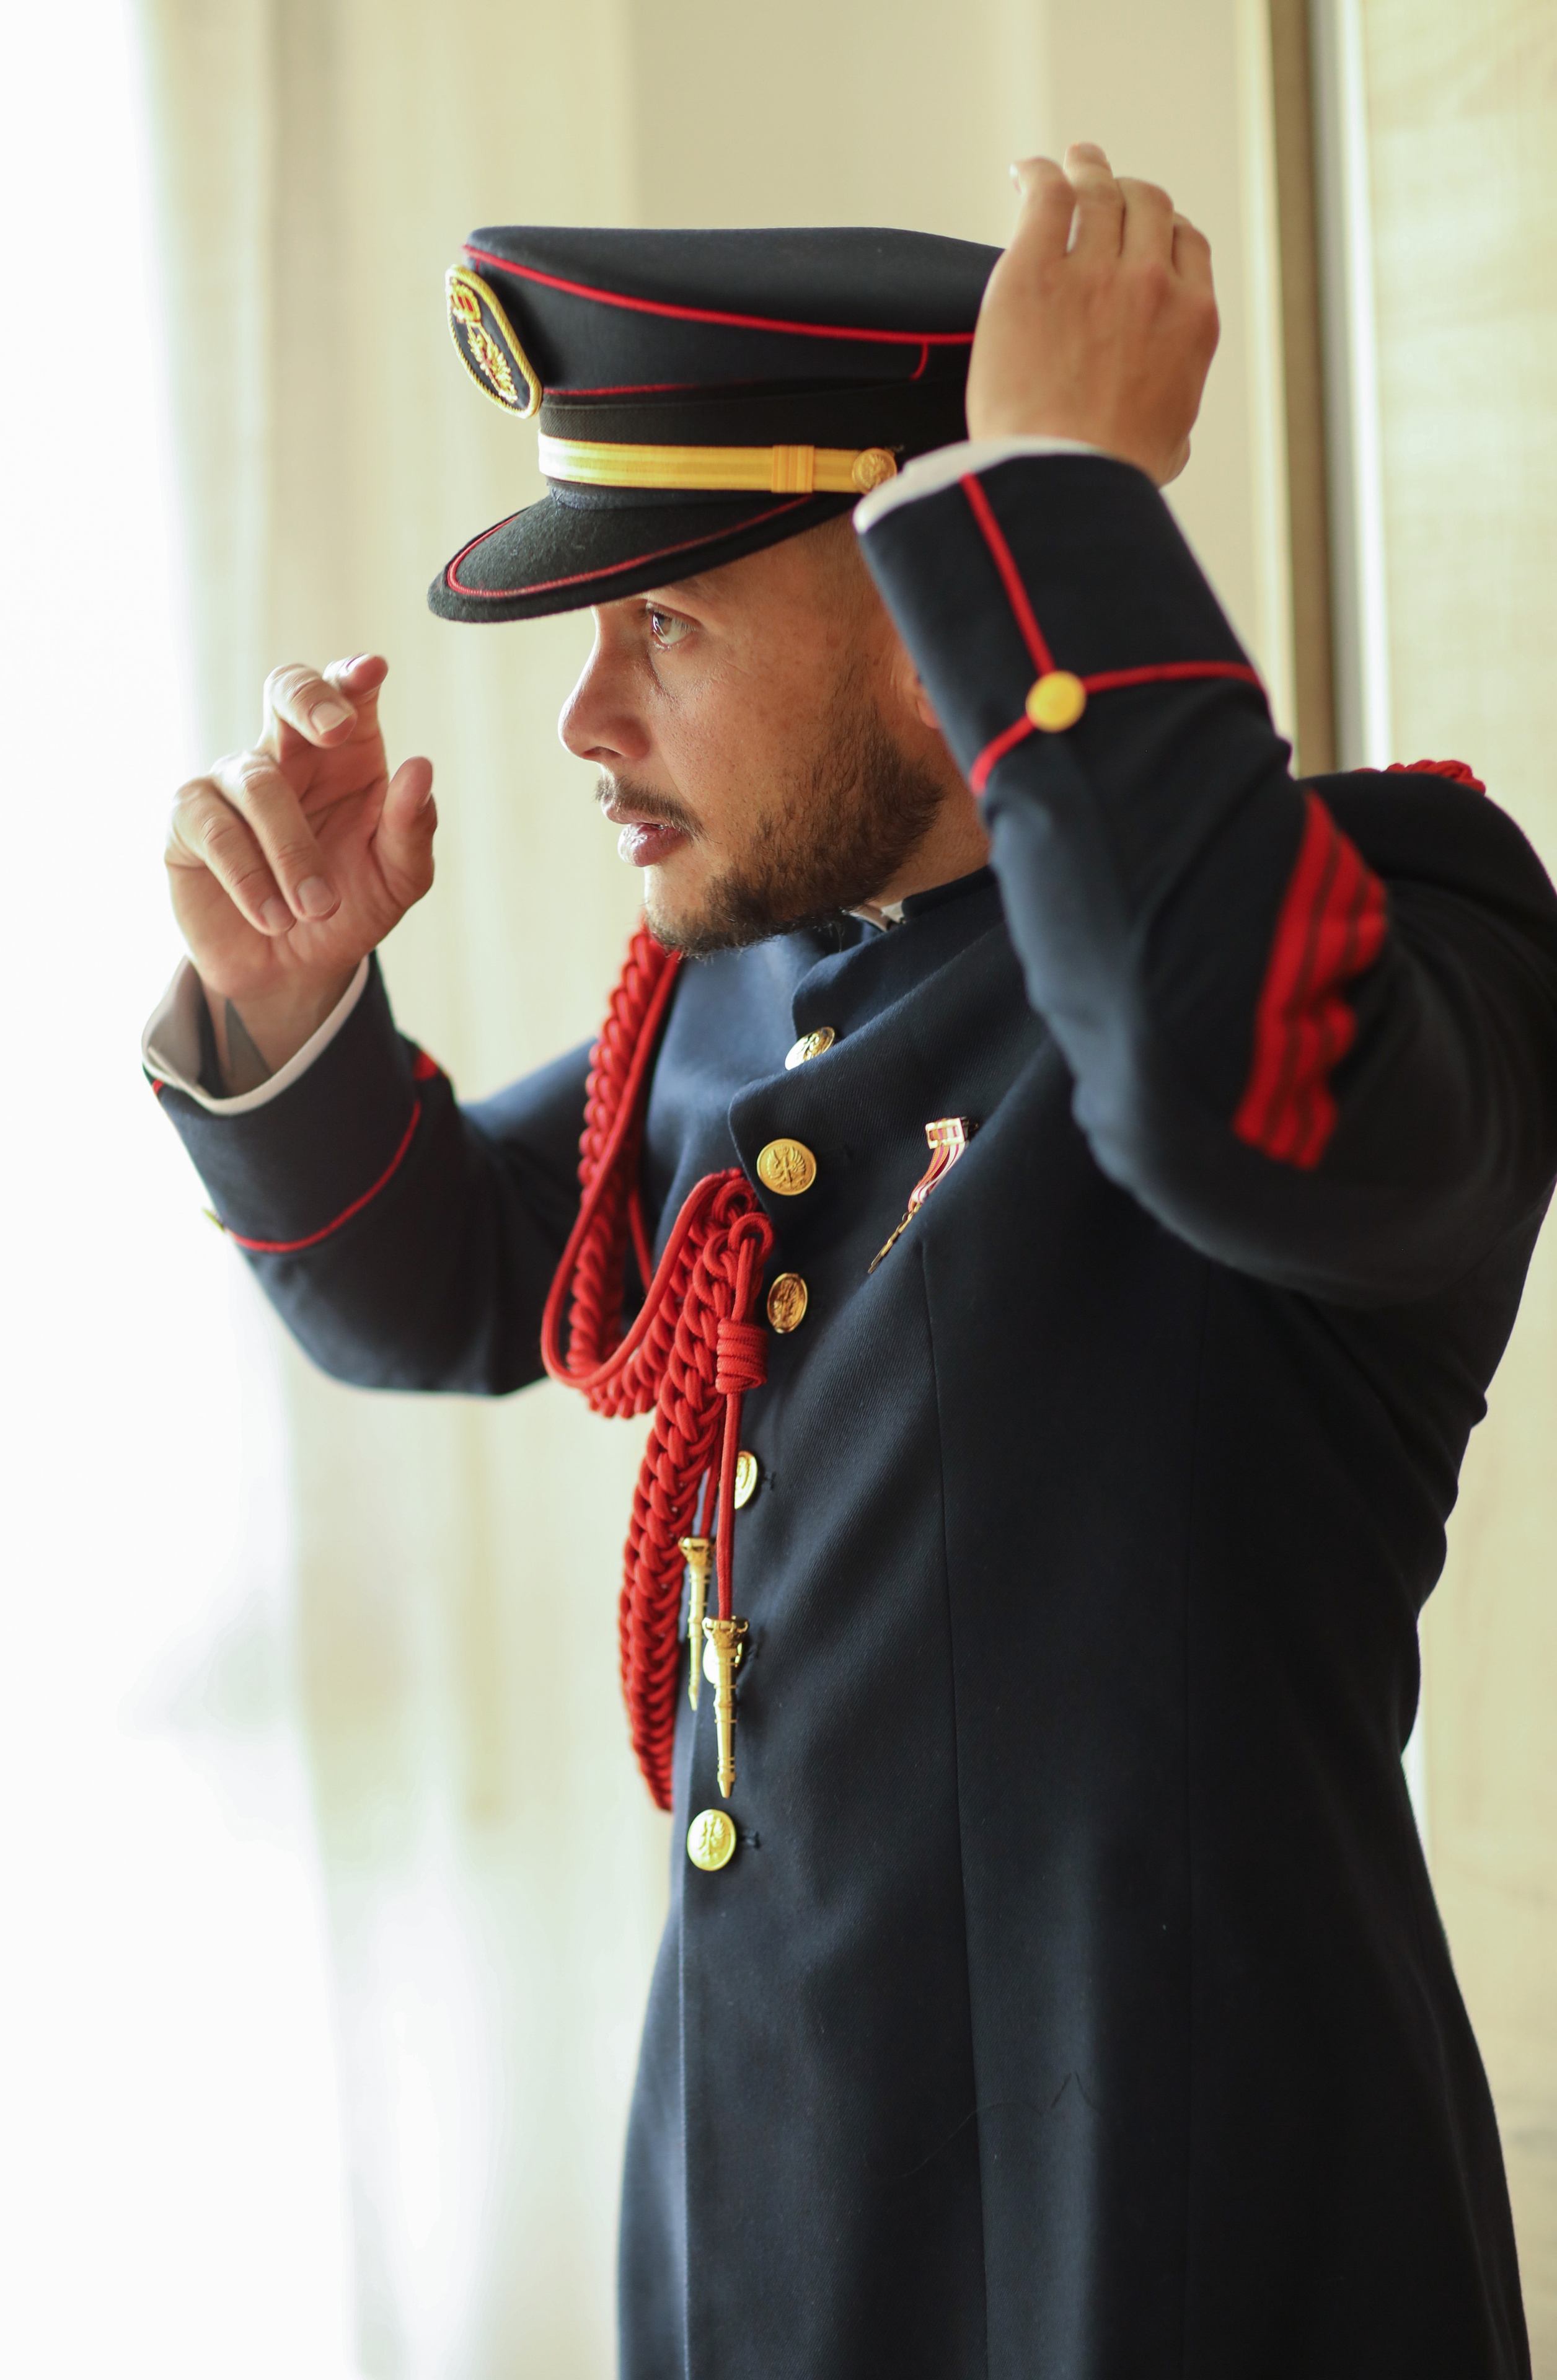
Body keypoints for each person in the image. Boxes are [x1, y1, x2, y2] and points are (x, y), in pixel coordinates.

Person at [143, 145, 1557, 2378]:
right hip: (765, 2267)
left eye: (666, 627)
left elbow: (1221, 1081)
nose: (585, 722)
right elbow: (467, 1278)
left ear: (936, 625)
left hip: (1182, 2282)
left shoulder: (1388, 913)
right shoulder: (758, 978)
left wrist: (1063, 499)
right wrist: (294, 1016)